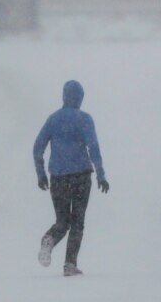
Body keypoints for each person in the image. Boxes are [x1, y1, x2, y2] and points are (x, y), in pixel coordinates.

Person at [33, 80, 109, 277]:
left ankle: (50, 238)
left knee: (62, 221)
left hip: (58, 178)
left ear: (63, 97)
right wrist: (101, 175)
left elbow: (38, 148)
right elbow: (93, 148)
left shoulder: (53, 119)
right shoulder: (84, 119)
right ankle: (69, 264)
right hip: (81, 177)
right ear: (80, 98)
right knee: (77, 222)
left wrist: (41, 173)